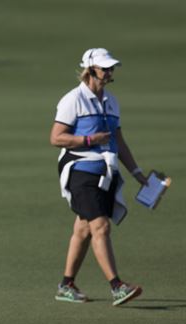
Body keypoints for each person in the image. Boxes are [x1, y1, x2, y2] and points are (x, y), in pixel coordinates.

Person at [50, 48, 148, 306]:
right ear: (90, 69)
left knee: (83, 229)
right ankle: (117, 286)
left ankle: (66, 285)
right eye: (105, 68)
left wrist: (137, 172)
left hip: (106, 172)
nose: (109, 72)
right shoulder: (73, 100)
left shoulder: (112, 101)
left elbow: (119, 140)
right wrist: (89, 140)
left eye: (111, 68)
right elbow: (56, 137)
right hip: (80, 170)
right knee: (100, 226)